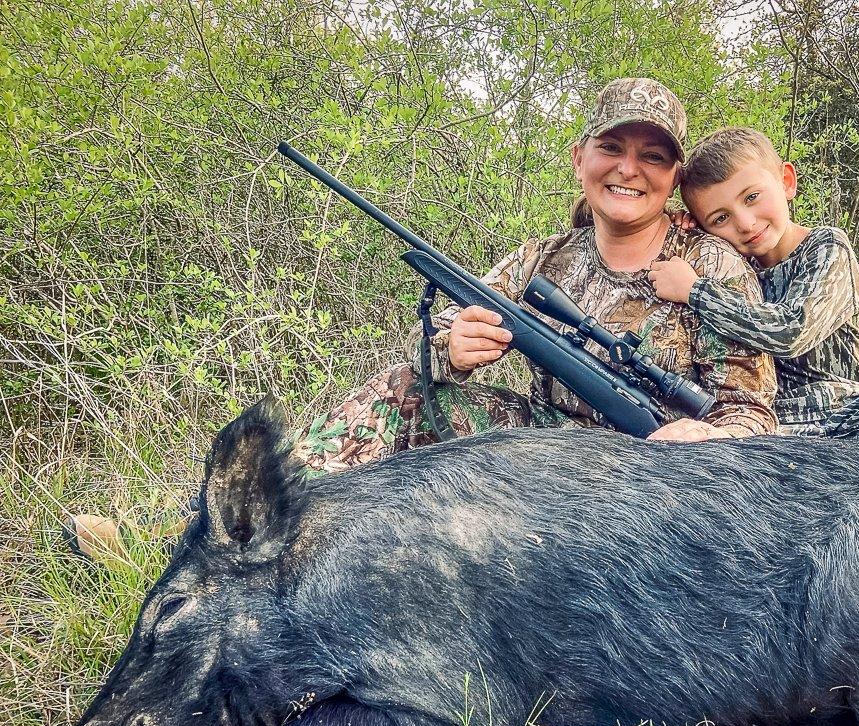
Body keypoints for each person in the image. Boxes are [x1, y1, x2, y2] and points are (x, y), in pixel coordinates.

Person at [65, 79, 778, 560]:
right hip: (543, 457)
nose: (629, 169)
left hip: (654, 483)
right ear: (580, 159)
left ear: (673, 177)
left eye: (652, 157)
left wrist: (703, 436)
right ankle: (202, 531)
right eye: (612, 149)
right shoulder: (541, 259)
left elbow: (754, 413)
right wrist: (449, 350)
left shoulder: (711, 266)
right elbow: (439, 340)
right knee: (410, 384)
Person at [647, 127, 859, 458]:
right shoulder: (731, 267)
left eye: (752, 197)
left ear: (786, 181)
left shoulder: (827, 247)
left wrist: (695, 291)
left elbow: (791, 331)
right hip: (773, 424)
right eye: (720, 218)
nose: (744, 222)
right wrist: (680, 231)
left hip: (844, 416)